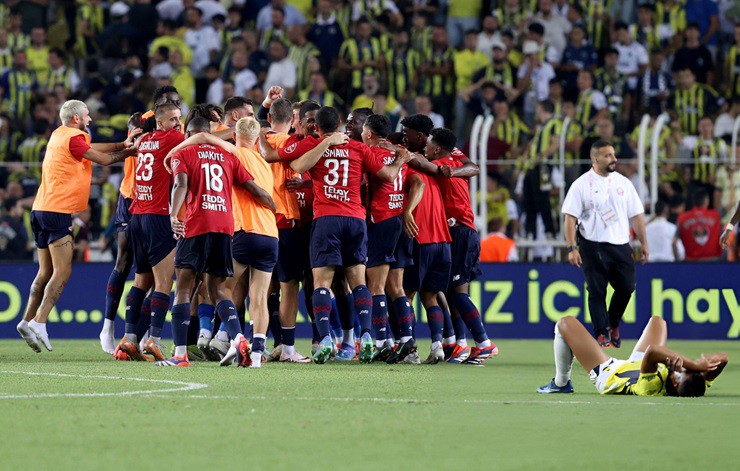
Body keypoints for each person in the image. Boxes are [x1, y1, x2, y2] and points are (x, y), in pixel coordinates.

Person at [287, 106, 410, 364]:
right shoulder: (358, 148)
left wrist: (325, 143)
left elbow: (297, 165)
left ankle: (325, 340)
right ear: (341, 123)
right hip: (355, 219)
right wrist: (400, 159)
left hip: (326, 219)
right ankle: (365, 336)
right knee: (358, 282)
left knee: (321, 283)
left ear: (316, 128)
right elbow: (388, 175)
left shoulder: (317, 147)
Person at [18, 100, 141, 353]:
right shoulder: (75, 137)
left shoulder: (59, 135)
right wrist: (130, 152)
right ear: (76, 118)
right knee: (63, 271)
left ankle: (26, 320)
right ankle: (40, 321)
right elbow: (105, 161)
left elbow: (91, 147)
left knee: (44, 271)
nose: (90, 120)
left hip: (40, 208)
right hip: (58, 211)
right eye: (86, 116)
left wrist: (121, 144)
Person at [162, 117, 275, 367]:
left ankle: (180, 354)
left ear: (189, 134)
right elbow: (253, 188)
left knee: (183, 287)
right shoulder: (228, 157)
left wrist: (172, 214)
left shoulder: (184, 153)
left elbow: (180, 184)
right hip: (225, 227)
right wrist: (271, 204)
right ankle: (238, 339)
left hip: (197, 223)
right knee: (219, 289)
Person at [99, 86, 182, 355]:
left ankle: (129, 339)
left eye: (180, 119)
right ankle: (154, 340)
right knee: (163, 283)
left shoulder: (143, 141)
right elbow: (199, 137)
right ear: (160, 121)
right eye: (174, 120)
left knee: (140, 281)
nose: (179, 125)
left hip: (137, 216)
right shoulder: (171, 139)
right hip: (158, 218)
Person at [561, 140, 648, 349]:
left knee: (627, 287)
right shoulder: (581, 185)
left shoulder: (624, 184)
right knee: (596, 290)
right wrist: (572, 247)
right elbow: (570, 218)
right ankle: (601, 332)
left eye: (613, 155)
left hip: (620, 244)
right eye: (608, 155)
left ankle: (613, 321)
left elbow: (636, 215)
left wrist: (644, 242)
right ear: (595, 158)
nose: (614, 159)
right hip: (592, 244)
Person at [537, 315, 728, 396]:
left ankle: (561, 383)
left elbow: (653, 351)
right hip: (636, 364)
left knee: (564, 323)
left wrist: (694, 364)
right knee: (658, 321)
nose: (685, 370)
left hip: (609, 371)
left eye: (683, 373)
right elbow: (723, 358)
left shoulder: (651, 387)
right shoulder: (695, 384)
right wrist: (701, 368)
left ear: (676, 384)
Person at [361, 114, 413, 361]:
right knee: (396, 287)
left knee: (376, 286)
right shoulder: (399, 150)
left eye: (362, 131)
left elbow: (377, 179)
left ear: (369, 133)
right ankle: (406, 339)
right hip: (400, 220)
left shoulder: (371, 153)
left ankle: (381, 340)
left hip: (381, 221)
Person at [678, 189, 722, 261]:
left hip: (691, 262)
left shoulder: (682, 218)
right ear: (706, 200)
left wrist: (677, 261)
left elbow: (674, 241)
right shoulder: (716, 216)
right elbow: (732, 204)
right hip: (713, 262)